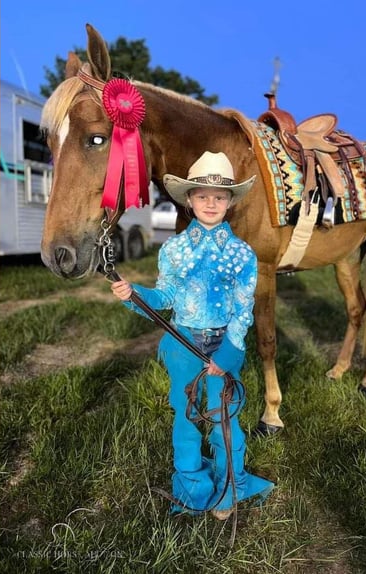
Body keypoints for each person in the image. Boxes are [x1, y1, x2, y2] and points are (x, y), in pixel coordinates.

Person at [110, 151, 274, 520]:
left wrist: (229, 353)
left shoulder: (241, 254)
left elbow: (242, 308)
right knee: (184, 415)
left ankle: (229, 484)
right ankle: (191, 484)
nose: (211, 203)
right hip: (183, 340)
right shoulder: (174, 249)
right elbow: (165, 296)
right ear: (189, 200)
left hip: (222, 345)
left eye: (219, 196)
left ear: (231, 201)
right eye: (202, 195)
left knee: (223, 415)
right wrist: (135, 295)